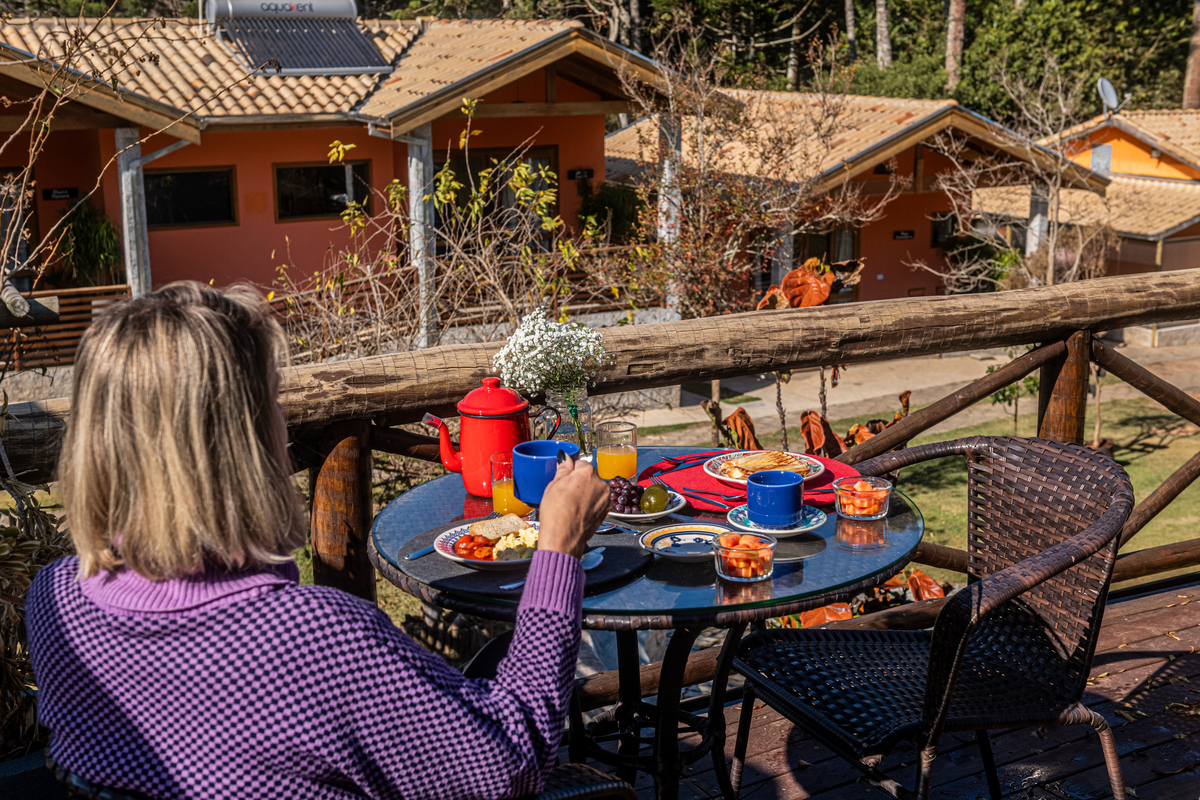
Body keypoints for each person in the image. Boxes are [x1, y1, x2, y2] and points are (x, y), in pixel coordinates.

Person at [26, 282, 611, 800]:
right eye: (273, 402)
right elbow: (510, 764)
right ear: (242, 439)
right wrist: (557, 553)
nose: (285, 423)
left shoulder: (56, 601)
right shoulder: (313, 638)